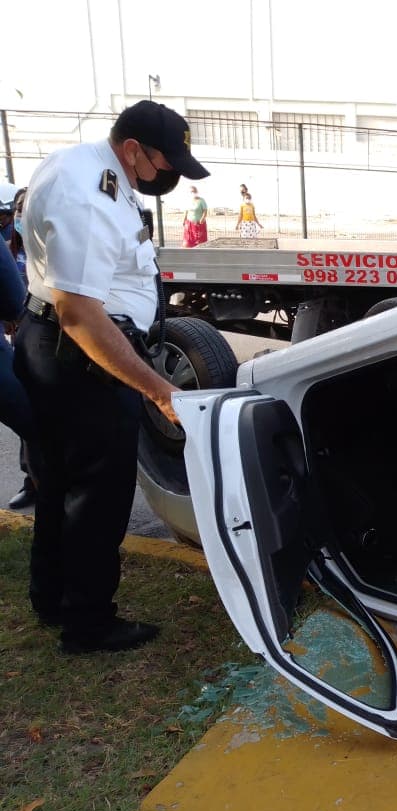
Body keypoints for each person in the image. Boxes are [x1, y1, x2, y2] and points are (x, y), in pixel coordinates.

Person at [15, 99, 209, 653]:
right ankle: (88, 622)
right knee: (97, 494)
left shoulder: (81, 165)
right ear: (132, 150)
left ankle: (51, 595)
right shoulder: (89, 197)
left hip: (55, 342)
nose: (168, 175)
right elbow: (81, 315)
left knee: (58, 481)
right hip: (81, 356)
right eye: (163, 163)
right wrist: (157, 387)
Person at [6, 187, 35, 510]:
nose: (19, 217)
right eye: (17, 211)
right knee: (30, 415)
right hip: (23, 344)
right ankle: (32, 479)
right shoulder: (10, 251)